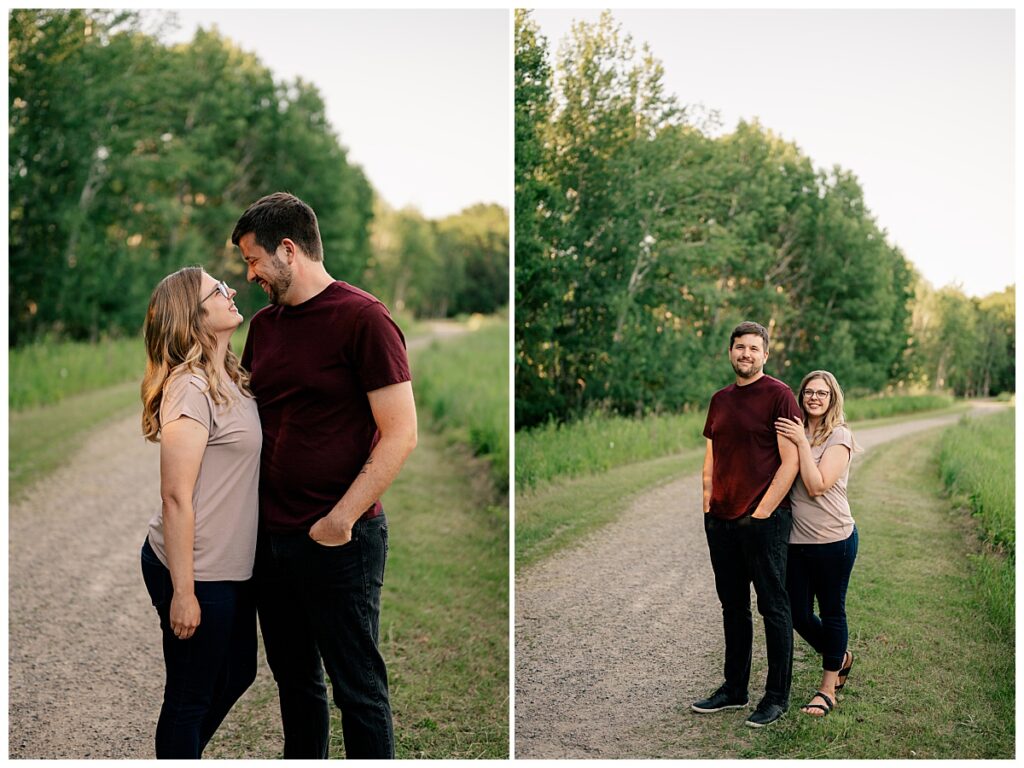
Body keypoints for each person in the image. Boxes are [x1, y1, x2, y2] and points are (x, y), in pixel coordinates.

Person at [234, 192, 417, 759]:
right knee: (296, 687)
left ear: (288, 249)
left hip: (341, 540)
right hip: (274, 541)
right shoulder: (264, 327)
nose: (250, 274)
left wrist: (339, 520)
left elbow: (401, 433)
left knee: (357, 690)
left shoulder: (364, 318)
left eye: (253, 259)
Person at [139, 267, 261, 758]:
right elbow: (175, 496)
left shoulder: (229, 375)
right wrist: (184, 592)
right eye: (217, 289)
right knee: (189, 699)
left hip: (229, 568)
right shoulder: (189, 388)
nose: (231, 290)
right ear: (194, 316)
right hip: (195, 569)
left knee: (237, 673)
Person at [692, 321, 801, 728]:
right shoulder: (719, 400)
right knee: (732, 607)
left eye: (754, 348)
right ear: (730, 351)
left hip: (763, 521)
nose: (746, 354)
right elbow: (711, 454)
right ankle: (734, 689)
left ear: (765, 354)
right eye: (740, 347)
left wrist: (761, 515)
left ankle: (776, 698)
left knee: (773, 607)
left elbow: (790, 462)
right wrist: (707, 502)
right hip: (720, 521)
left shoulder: (780, 396)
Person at [775, 370, 859, 718]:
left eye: (822, 393)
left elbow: (817, 485)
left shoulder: (839, 436)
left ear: (832, 398)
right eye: (809, 391)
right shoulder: (794, 430)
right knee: (796, 612)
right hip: (797, 541)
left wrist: (801, 444)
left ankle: (827, 689)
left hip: (833, 539)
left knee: (832, 611)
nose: (814, 397)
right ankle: (840, 654)